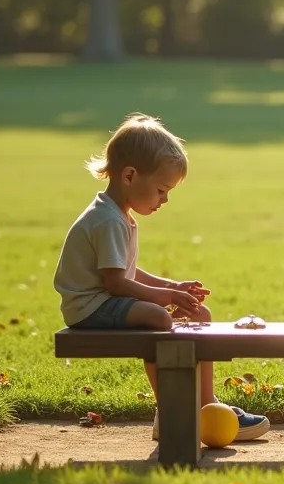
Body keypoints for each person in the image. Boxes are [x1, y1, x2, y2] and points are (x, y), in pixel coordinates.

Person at [53, 113, 269, 442]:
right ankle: (171, 410)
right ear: (129, 175)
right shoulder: (107, 220)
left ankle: (205, 404)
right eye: (161, 190)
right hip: (91, 307)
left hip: (109, 301)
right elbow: (115, 284)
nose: (164, 200)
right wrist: (165, 298)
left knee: (200, 314)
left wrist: (171, 286)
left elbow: (126, 272)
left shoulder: (118, 215)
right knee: (156, 316)